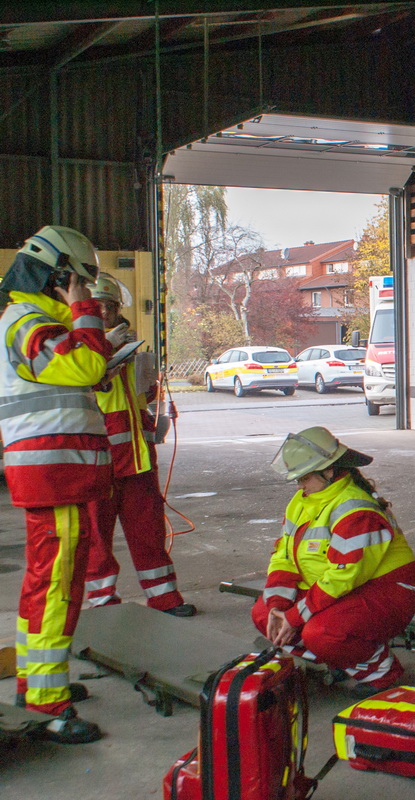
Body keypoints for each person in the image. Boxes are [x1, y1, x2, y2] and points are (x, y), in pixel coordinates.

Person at [0, 225, 111, 743]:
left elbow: (76, 373)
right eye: (78, 280)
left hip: (55, 471)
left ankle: (36, 680)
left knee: (48, 581)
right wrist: (85, 310)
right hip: (52, 472)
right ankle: (47, 698)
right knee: (56, 584)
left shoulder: (33, 320)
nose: (83, 290)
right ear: (60, 275)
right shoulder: (27, 321)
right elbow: (85, 364)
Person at [254, 427, 415, 698]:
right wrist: (278, 607)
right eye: (296, 479)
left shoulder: (356, 510)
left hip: (390, 591)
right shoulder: (302, 501)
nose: (299, 486)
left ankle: (381, 671)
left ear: (329, 471)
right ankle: (342, 661)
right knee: (264, 616)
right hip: (340, 589)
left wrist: (295, 616)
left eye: (305, 477)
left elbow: (344, 576)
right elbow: (283, 557)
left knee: (321, 633)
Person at [82, 274, 195, 617]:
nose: (104, 311)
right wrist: (104, 348)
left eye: (110, 305)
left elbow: (146, 398)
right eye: (96, 305)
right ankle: (102, 602)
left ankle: (164, 598)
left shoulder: (136, 349)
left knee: (148, 532)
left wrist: (160, 410)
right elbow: (87, 384)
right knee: (97, 537)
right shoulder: (78, 348)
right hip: (97, 460)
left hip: (138, 457)